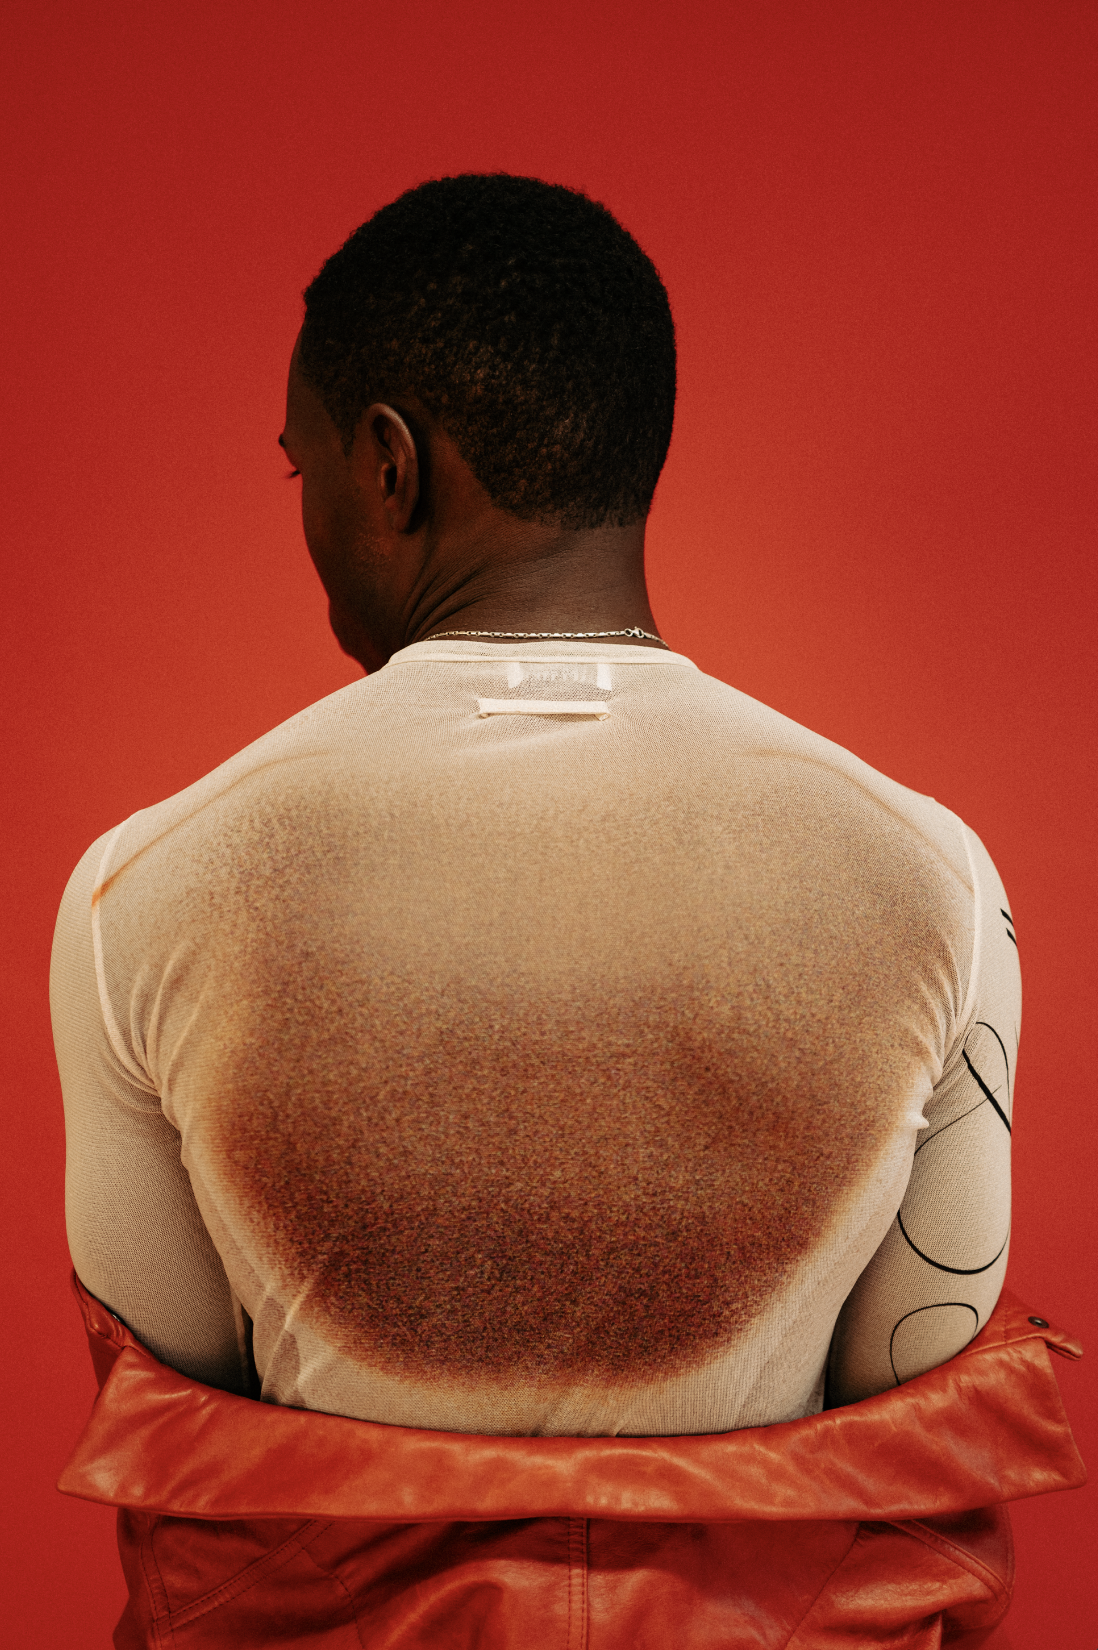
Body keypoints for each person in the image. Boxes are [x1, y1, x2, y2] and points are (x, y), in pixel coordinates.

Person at [51, 174, 1081, 1648]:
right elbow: (908, 1394)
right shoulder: (936, 879)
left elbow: (190, 1416)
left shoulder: (142, 888)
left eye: (302, 470)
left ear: (388, 465)